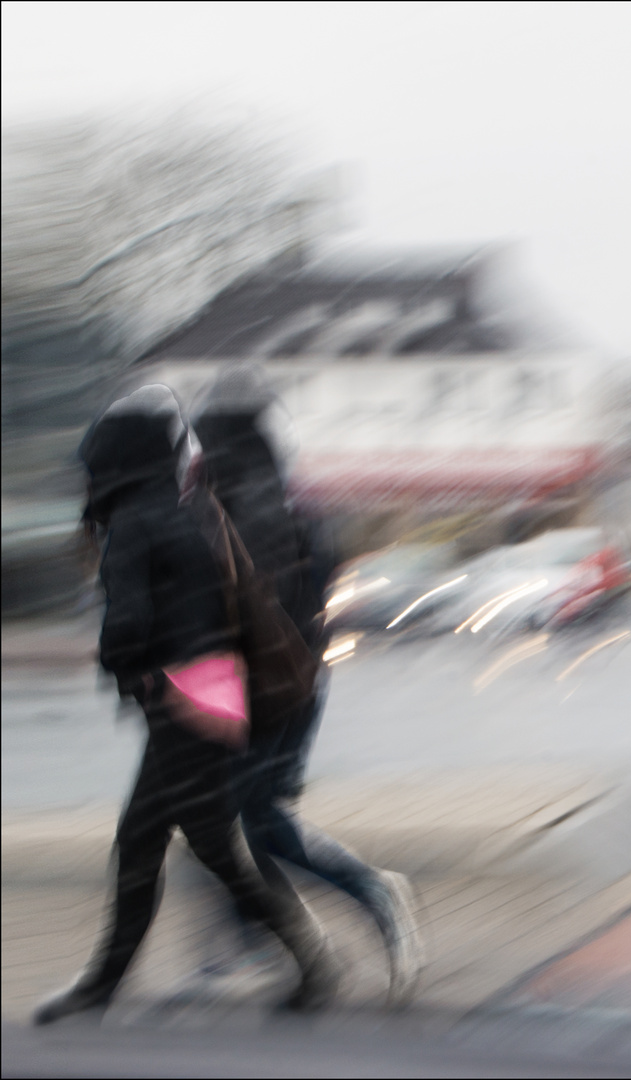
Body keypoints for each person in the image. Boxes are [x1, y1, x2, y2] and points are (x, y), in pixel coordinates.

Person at [34, 387, 338, 1024]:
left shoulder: (131, 525)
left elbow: (128, 624)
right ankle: (101, 985)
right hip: (214, 694)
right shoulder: (186, 513)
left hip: (175, 703)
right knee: (147, 842)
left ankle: (313, 963)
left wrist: (127, 670)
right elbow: (212, 612)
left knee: (207, 850)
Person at [190, 366, 423, 1004]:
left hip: (254, 689)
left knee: (246, 815)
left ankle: (368, 892)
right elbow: (315, 585)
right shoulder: (288, 500)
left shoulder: (236, 505)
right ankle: (250, 944)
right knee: (244, 813)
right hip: (297, 683)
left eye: (203, 436)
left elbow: (231, 606)